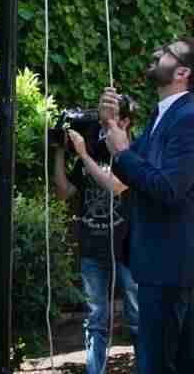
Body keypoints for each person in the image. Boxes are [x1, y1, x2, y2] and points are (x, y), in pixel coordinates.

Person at [100, 37, 194, 374]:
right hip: (160, 262)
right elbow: (133, 167)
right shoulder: (164, 116)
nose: (155, 53)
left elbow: (167, 188)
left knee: (156, 363)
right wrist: (110, 124)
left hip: (170, 263)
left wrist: (121, 151)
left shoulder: (190, 120)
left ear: (182, 72)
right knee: (184, 362)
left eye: (165, 52)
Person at [51, 119, 140, 374]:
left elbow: (116, 186)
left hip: (126, 251)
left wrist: (82, 153)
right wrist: (58, 150)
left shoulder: (128, 158)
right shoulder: (84, 161)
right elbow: (63, 191)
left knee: (138, 320)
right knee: (95, 322)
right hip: (92, 250)